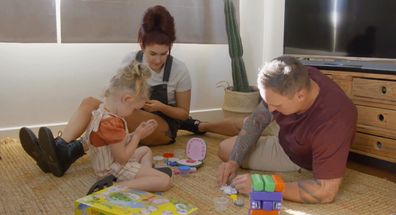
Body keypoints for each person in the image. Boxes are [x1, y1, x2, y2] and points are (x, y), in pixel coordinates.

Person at [19, 5, 202, 178]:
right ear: (141, 45)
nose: (158, 60)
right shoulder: (130, 60)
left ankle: (66, 153)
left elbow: (183, 114)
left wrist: (161, 107)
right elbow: (112, 96)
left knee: (109, 116)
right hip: (129, 118)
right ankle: (58, 149)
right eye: (152, 54)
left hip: (160, 128)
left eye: (164, 54)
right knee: (90, 103)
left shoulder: (179, 69)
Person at [214, 56, 357, 203]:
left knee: (225, 148)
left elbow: (325, 192)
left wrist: (265, 187)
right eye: (267, 102)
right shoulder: (295, 76)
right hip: (287, 127)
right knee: (245, 130)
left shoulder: (333, 122)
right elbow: (257, 120)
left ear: (300, 95)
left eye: (276, 105)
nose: (270, 109)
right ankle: (200, 126)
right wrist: (233, 161)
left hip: (297, 152)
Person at [85, 61, 171, 192]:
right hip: (112, 171)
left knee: (146, 150)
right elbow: (122, 158)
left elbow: (116, 143)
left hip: (111, 162)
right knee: (165, 180)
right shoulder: (112, 124)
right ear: (127, 99)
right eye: (134, 109)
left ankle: (144, 177)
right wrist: (137, 136)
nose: (133, 113)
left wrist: (136, 133)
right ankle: (113, 188)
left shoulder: (102, 112)